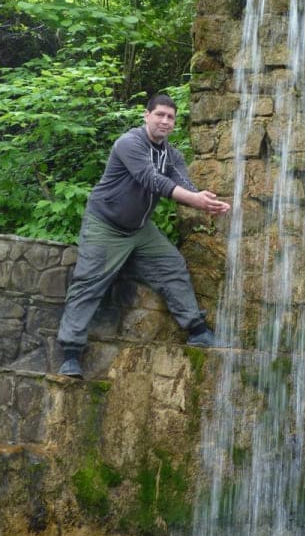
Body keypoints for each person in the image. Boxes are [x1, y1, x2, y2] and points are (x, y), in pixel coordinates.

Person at [57, 93, 230, 377]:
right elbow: (151, 179)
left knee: (173, 266)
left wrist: (205, 200)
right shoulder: (129, 143)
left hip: (140, 229)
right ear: (146, 115)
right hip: (106, 224)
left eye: (170, 117)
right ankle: (71, 353)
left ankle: (197, 330)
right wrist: (194, 198)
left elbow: (182, 183)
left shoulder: (172, 155)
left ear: (174, 123)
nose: (164, 120)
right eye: (159, 114)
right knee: (88, 283)